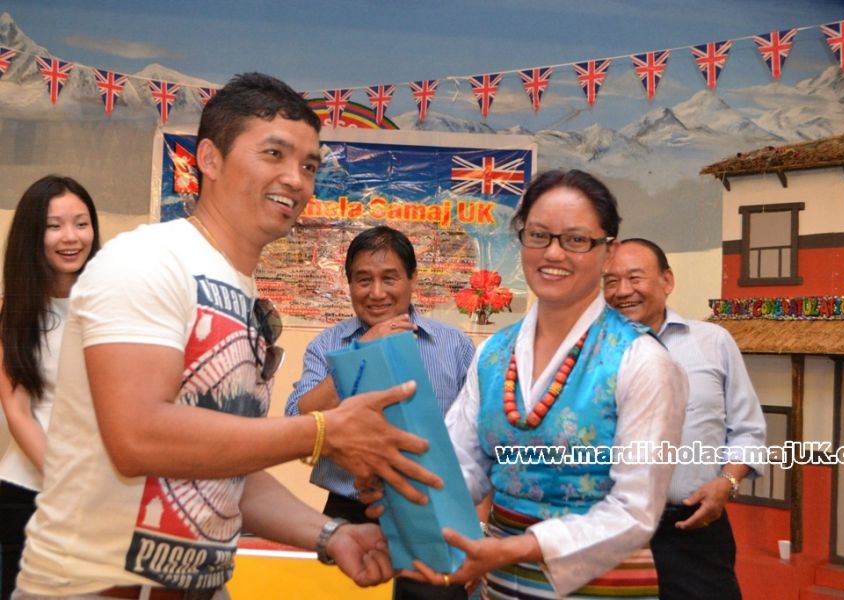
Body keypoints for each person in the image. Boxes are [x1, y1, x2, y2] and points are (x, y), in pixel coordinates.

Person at [13, 73, 441, 600]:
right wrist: (323, 432)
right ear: (209, 159)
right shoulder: (148, 259)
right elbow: (138, 437)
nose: (295, 179)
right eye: (274, 154)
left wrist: (331, 534)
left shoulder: (241, 292)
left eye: (309, 165)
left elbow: (227, 471)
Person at [371, 169, 688, 598]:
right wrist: (407, 492)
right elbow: (462, 464)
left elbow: (636, 510)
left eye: (575, 239)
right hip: (500, 584)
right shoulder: (494, 353)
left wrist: (518, 547)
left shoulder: (641, 360)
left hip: (601, 587)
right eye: (538, 235)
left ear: (608, 252)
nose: (553, 253)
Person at [285, 225, 475, 600]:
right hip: (348, 510)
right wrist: (362, 351)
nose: (376, 293)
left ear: (412, 280)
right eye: (363, 280)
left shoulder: (454, 345)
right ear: (349, 284)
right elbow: (298, 420)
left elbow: (478, 435)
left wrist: (477, 524)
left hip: (433, 509)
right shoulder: (327, 345)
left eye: (389, 278)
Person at [603, 238, 766, 600]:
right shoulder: (589, 353)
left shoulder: (713, 342)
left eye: (635, 278)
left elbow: (748, 430)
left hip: (693, 530)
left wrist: (727, 482)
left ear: (667, 281)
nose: (622, 291)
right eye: (611, 281)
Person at [0, 176, 100, 600]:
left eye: (81, 223)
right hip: (28, 492)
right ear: (31, 235)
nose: (71, 237)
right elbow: (17, 411)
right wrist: (65, 483)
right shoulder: (14, 312)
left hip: (102, 497)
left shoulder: (110, 304)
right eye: (53, 226)